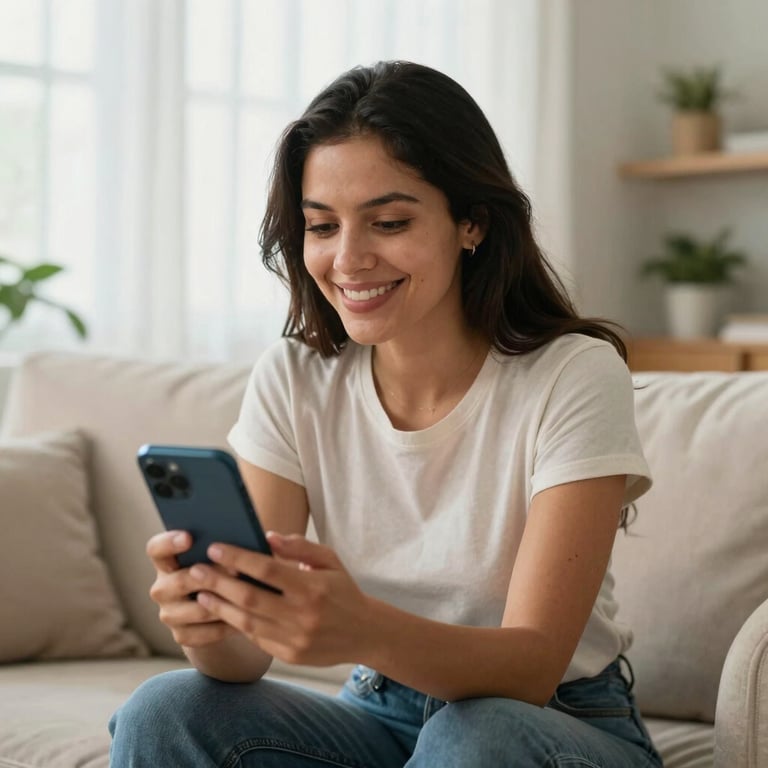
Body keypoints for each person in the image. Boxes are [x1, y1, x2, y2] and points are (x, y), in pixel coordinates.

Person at [109, 60, 663, 767]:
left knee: (474, 736)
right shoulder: (296, 377)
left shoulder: (574, 375)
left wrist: (360, 626)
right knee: (167, 710)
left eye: (390, 221)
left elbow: (531, 668)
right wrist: (208, 620)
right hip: (381, 708)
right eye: (321, 226)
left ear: (472, 222)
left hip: (550, 723)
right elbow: (242, 661)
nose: (349, 259)